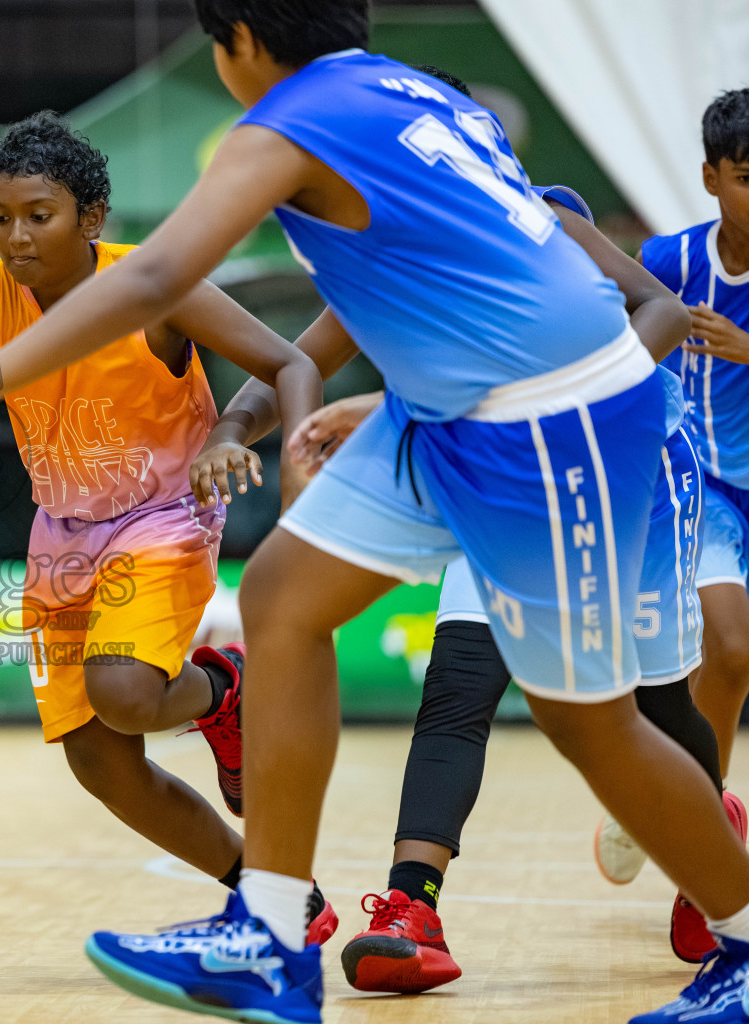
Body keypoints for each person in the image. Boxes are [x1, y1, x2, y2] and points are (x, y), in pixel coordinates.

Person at [0, 4, 749, 1022]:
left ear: (240, 40)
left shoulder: (295, 118)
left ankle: (740, 942)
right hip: (457, 406)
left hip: (552, 417)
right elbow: (444, 279)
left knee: (589, 724)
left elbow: (155, 274)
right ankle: (271, 932)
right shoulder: (407, 94)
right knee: (283, 595)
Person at [216, 164, 732, 989]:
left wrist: (503, 407)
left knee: (658, 702)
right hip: (491, 472)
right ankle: (410, 907)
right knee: (459, 683)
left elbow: (654, 316)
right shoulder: (398, 246)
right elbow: (297, 356)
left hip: (626, 465)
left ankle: (716, 852)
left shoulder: (542, 223)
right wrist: (233, 426)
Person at [0, 110, 334, 939]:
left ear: (90, 217)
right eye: (0, 217)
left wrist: (260, 453)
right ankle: (273, 895)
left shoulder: (154, 286)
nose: (16, 237)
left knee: (125, 695)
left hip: (162, 517)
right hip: (62, 531)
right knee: (98, 761)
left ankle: (224, 689)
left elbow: (292, 362)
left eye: (39, 215)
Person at [649, 89, 749, 785]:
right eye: (746, 177)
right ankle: (705, 809)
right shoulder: (668, 263)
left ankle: (674, 796)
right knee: (731, 650)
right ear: (711, 177)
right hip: (702, 489)